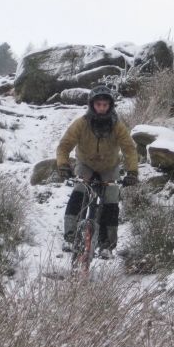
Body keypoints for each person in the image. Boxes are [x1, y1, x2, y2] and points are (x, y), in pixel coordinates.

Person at [56, 85, 139, 259]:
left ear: (110, 106)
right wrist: (63, 165)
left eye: (105, 105)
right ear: (92, 105)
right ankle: (70, 238)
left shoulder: (117, 126)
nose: (101, 108)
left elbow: (129, 149)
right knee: (79, 192)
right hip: (85, 164)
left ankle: (106, 245)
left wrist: (132, 172)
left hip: (109, 167)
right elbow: (64, 145)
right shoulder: (81, 123)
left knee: (111, 200)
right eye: (98, 104)